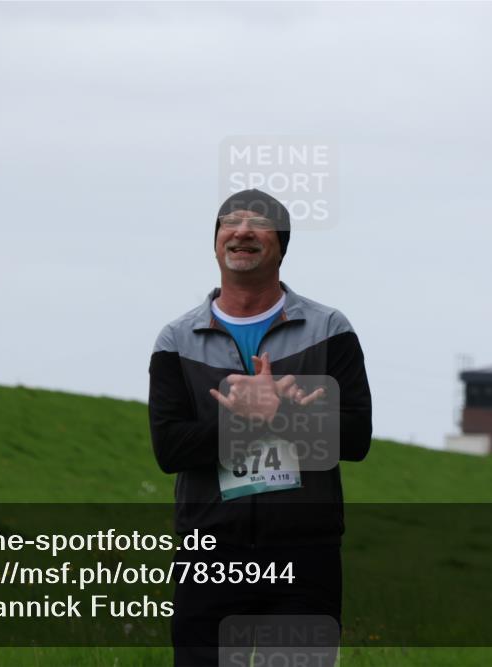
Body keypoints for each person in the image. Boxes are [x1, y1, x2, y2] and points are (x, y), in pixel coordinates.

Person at [148, 188, 373, 666]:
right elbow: (169, 449)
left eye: (259, 223)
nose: (242, 230)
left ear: (281, 245)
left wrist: (282, 415)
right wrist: (241, 420)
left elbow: (355, 438)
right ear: (216, 243)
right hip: (207, 553)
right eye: (230, 221)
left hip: (304, 551)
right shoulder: (176, 340)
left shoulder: (330, 329)